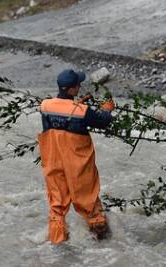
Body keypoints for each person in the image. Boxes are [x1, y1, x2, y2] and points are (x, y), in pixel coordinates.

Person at [37, 69, 115, 243]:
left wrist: (77, 103)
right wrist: (107, 110)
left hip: (53, 162)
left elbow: (62, 120)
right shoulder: (82, 111)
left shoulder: (45, 106)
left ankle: (57, 244)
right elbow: (102, 121)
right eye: (77, 85)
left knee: (57, 205)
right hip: (77, 164)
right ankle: (104, 244)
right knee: (89, 201)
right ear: (71, 89)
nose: (80, 86)